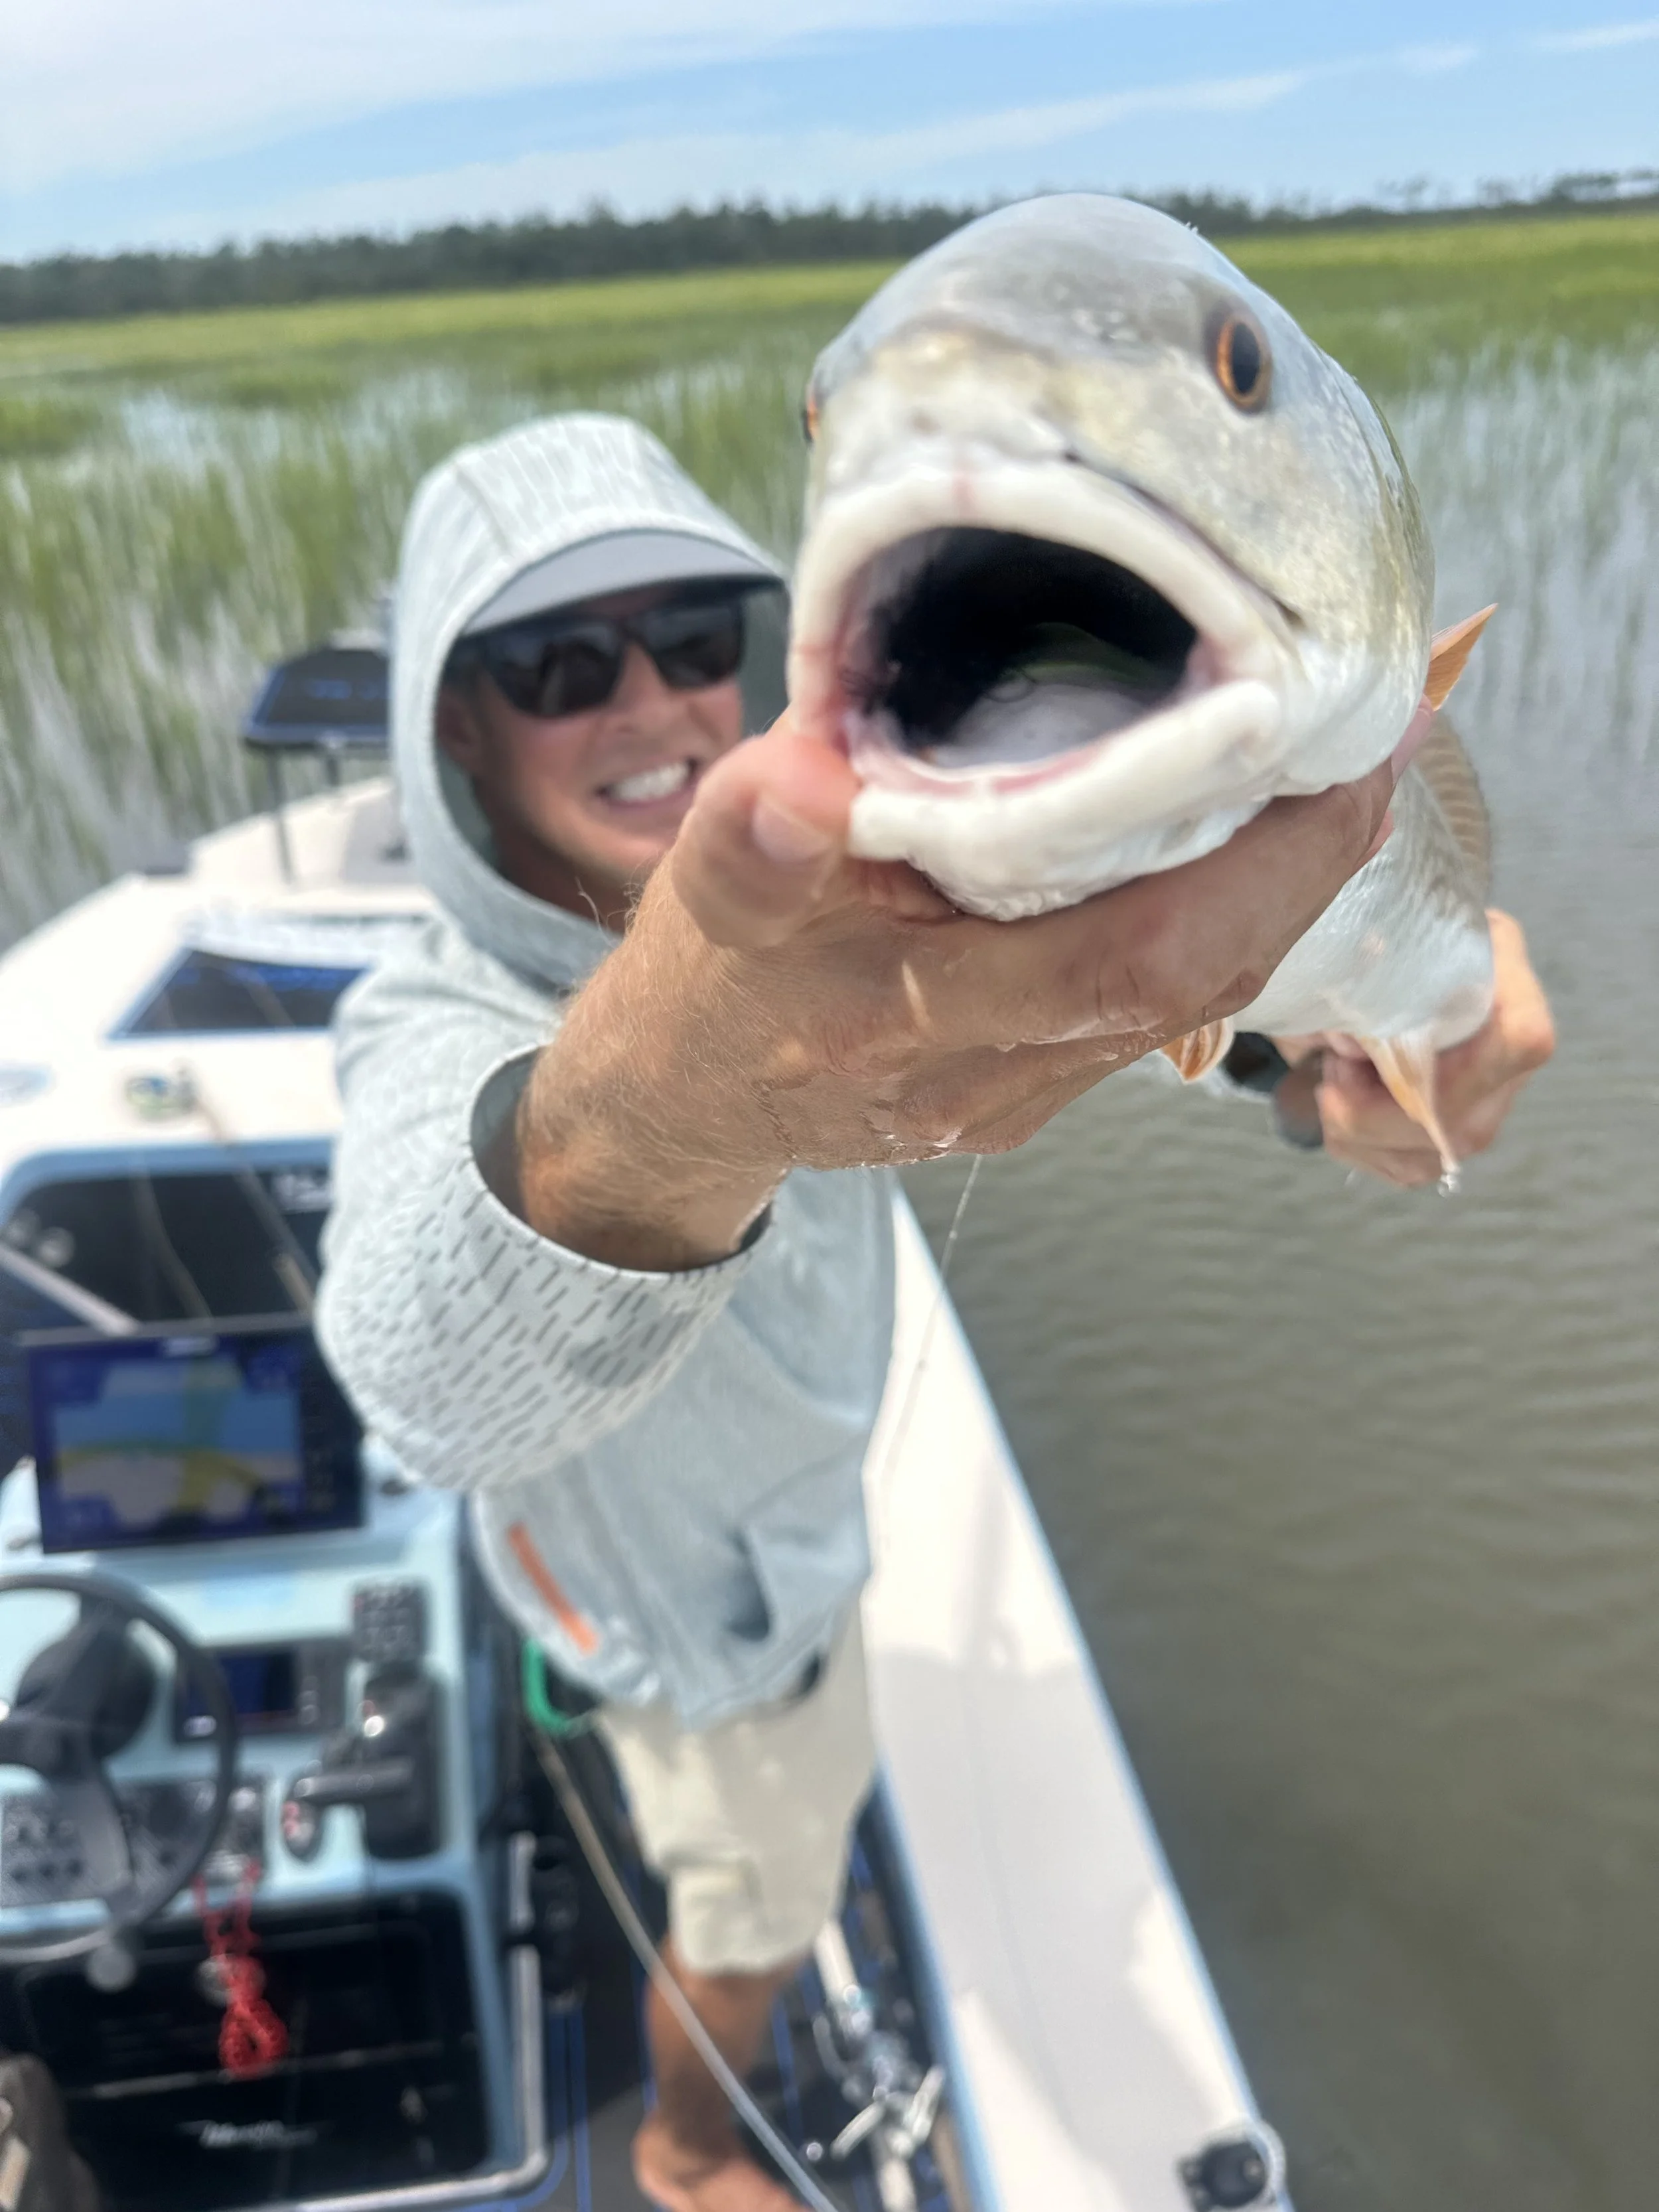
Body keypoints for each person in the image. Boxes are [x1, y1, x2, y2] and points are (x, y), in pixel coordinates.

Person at [317, 413, 1553, 2212]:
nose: (652, 703)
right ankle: (678, 2149)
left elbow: (1088, 993)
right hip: (710, 1639)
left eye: (692, 640)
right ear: (453, 728)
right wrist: (669, 1098)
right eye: (558, 664)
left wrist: (1318, 1073)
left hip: (805, 1526)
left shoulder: (855, 876)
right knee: (752, 1912)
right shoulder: (419, 1017)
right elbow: (416, 1380)